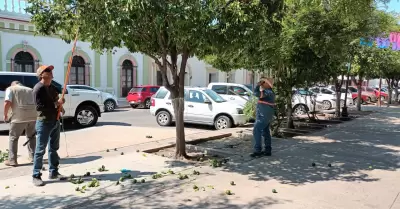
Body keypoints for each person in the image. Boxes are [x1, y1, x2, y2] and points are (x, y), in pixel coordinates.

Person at [32, 65, 65, 187]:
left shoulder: (51, 87)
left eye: (50, 71)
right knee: (40, 150)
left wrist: (61, 103)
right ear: (42, 75)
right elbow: (39, 107)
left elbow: (59, 94)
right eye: (47, 71)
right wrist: (56, 104)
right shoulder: (38, 89)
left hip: (55, 121)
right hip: (44, 122)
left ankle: (54, 172)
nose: (50, 73)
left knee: (53, 148)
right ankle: (36, 175)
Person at [2, 81, 37, 166]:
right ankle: (33, 157)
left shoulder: (10, 89)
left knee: (13, 137)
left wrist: (5, 115)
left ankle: (12, 160)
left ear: (13, 84)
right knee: (31, 137)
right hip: (33, 116)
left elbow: (7, 102)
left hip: (19, 117)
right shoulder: (30, 89)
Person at [251, 77, 275, 158]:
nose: (262, 83)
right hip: (266, 116)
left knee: (256, 130)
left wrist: (258, 85)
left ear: (268, 84)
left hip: (263, 116)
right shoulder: (269, 92)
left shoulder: (267, 92)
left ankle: (258, 150)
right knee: (266, 132)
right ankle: (268, 150)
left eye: (264, 82)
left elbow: (256, 94)